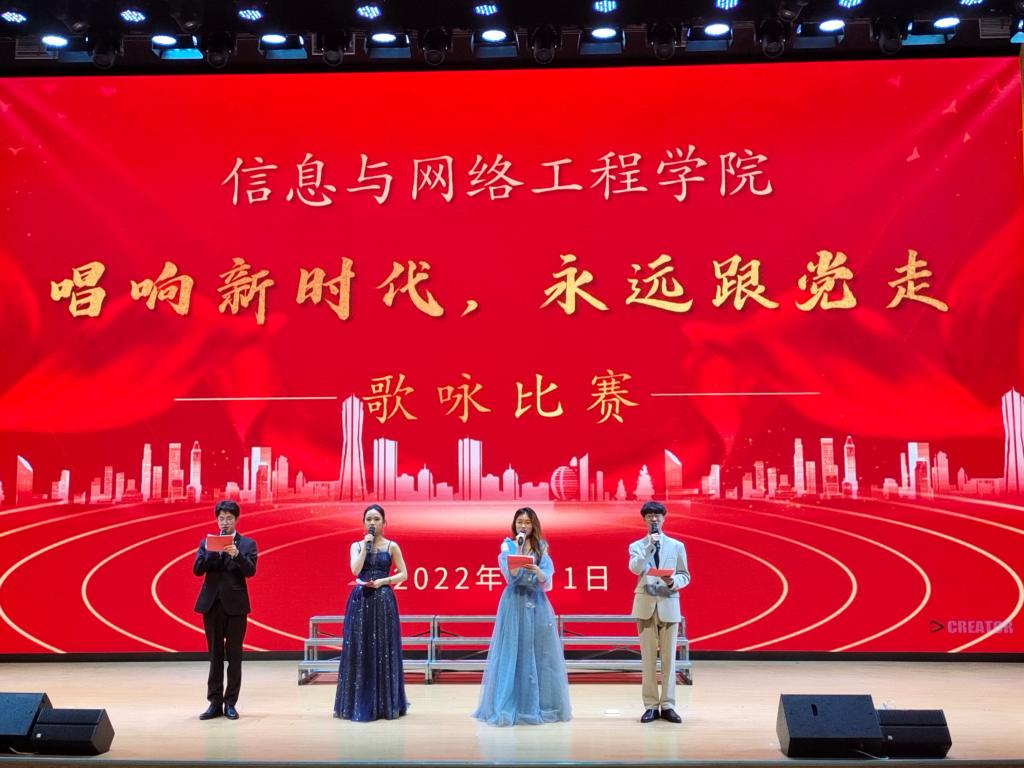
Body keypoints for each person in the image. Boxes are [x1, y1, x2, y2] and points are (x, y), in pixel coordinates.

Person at [473, 507, 572, 726]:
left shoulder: (541, 547)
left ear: (534, 525)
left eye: (527, 522)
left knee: (538, 652)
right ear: (514, 524)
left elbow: (547, 578)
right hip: (514, 603)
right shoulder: (507, 546)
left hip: (537, 603)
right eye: (520, 522)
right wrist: (518, 552)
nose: (523, 526)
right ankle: (510, 705)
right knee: (512, 651)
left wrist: (539, 573)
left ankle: (537, 704)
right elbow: (511, 576)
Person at [334, 504, 409, 721]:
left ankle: (385, 704)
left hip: (383, 600)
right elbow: (355, 570)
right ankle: (357, 702)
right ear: (363, 523)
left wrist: (384, 581)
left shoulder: (392, 546)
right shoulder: (357, 546)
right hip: (361, 601)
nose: (372, 523)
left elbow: (404, 574)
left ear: (385, 523)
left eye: (376, 519)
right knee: (359, 648)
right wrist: (365, 548)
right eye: (369, 519)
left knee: (384, 648)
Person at [193, 500, 258, 721]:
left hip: (236, 606)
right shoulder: (207, 542)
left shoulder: (247, 544)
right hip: (211, 605)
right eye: (221, 518)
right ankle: (214, 703)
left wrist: (236, 555)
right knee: (215, 656)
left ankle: (230, 703)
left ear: (236, 519)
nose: (225, 522)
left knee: (234, 656)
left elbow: (251, 571)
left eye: (229, 518)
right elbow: (197, 569)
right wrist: (213, 552)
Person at [628, 500, 690, 724]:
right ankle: (651, 706)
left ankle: (668, 705)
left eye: (657, 516)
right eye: (649, 516)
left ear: (664, 518)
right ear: (644, 520)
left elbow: (685, 575)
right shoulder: (637, 546)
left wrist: (674, 581)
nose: (654, 519)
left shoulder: (677, 546)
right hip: (645, 605)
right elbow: (635, 568)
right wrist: (649, 547)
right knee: (647, 660)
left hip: (669, 603)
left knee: (669, 660)